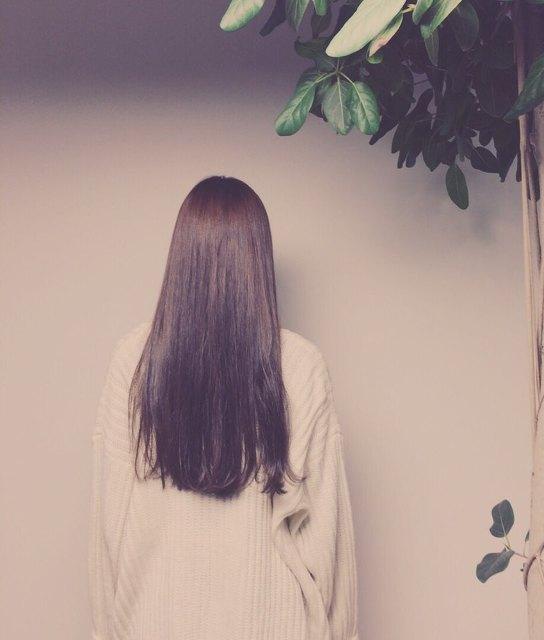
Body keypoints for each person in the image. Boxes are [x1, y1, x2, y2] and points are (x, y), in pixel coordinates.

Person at [88, 176, 359, 640]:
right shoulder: (300, 365)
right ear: (258, 261)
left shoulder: (133, 361)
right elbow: (327, 547)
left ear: (181, 258)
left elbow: (108, 530)